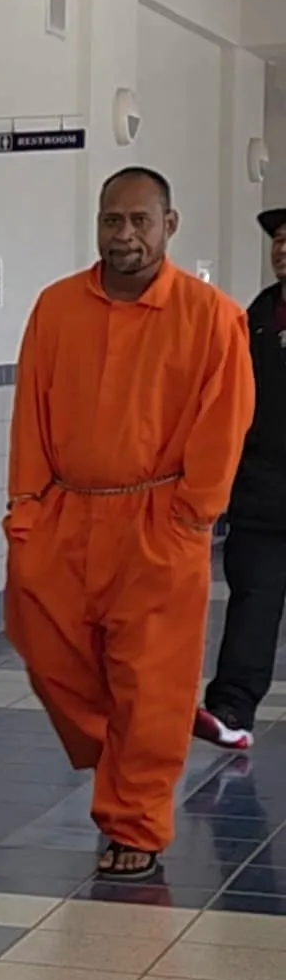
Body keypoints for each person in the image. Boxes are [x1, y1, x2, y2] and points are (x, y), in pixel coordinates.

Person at [5, 168, 254, 880]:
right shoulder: (57, 307)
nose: (124, 236)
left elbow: (225, 423)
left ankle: (135, 823)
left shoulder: (210, 316)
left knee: (151, 684)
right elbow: (31, 411)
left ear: (168, 225)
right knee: (46, 650)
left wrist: (191, 516)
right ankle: (119, 751)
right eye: (112, 220)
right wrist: (26, 506)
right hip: (63, 514)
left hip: (159, 522)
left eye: (140, 221)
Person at [196, 207, 286, 751]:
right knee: (253, 600)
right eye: (278, 240)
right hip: (261, 493)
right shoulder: (254, 318)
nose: (282, 249)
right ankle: (230, 709)